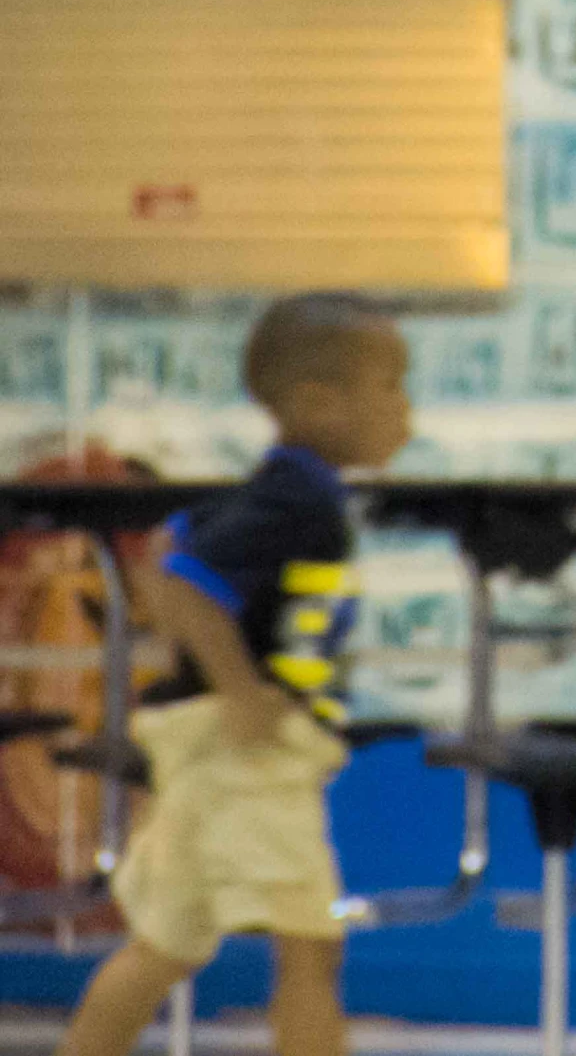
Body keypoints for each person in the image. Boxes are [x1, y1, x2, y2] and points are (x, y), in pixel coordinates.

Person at [59, 294, 412, 1056]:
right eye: (391, 387)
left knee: (166, 945)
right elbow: (185, 579)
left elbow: (167, 554)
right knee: (310, 945)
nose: (405, 410)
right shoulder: (299, 498)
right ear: (318, 401)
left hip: (212, 746)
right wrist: (241, 690)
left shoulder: (274, 491)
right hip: (246, 751)